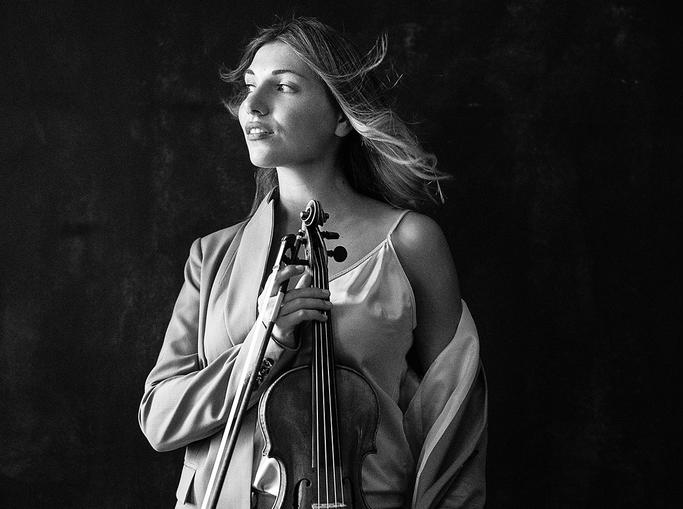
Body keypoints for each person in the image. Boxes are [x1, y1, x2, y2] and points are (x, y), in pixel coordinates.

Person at [139, 17, 487, 509]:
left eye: (283, 86)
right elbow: (159, 420)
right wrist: (263, 345)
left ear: (341, 117)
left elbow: (455, 424)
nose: (253, 106)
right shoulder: (212, 256)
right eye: (249, 86)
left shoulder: (410, 242)